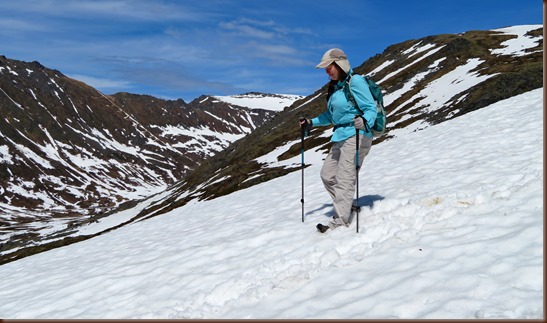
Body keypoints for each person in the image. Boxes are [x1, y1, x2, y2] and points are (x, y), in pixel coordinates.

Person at [299, 48, 377, 233]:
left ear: (339, 64)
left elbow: (370, 108)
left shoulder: (355, 82)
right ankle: (347, 204)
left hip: (357, 135)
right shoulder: (336, 87)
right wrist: (312, 122)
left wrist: (365, 121)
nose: (327, 71)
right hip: (340, 136)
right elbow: (331, 116)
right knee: (327, 175)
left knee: (345, 177)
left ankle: (340, 221)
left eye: (329, 67)